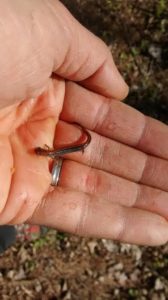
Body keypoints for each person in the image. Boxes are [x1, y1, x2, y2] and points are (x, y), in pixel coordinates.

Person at [0, 0, 168, 250]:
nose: (41, 152)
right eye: (41, 153)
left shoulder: (50, 151)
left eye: (41, 152)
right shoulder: (49, 151)